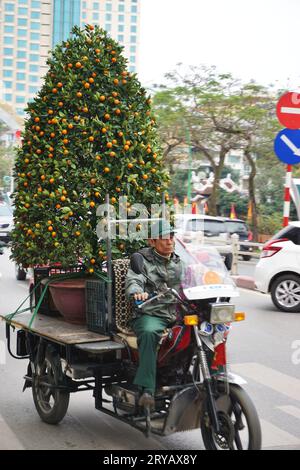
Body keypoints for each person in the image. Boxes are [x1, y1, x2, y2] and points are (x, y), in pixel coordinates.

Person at [125, 221, 183, 408]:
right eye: (164, 238)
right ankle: (147, 390)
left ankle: (215, 380)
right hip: (151, 313)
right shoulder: (142, 261)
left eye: (171, 237)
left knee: (209, 329)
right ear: (152, 241)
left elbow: (195, 277)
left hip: (176, 312)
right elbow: (134, 279)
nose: (169, 241)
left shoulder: (179, 261)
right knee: (149, 333)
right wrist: (137, 292)